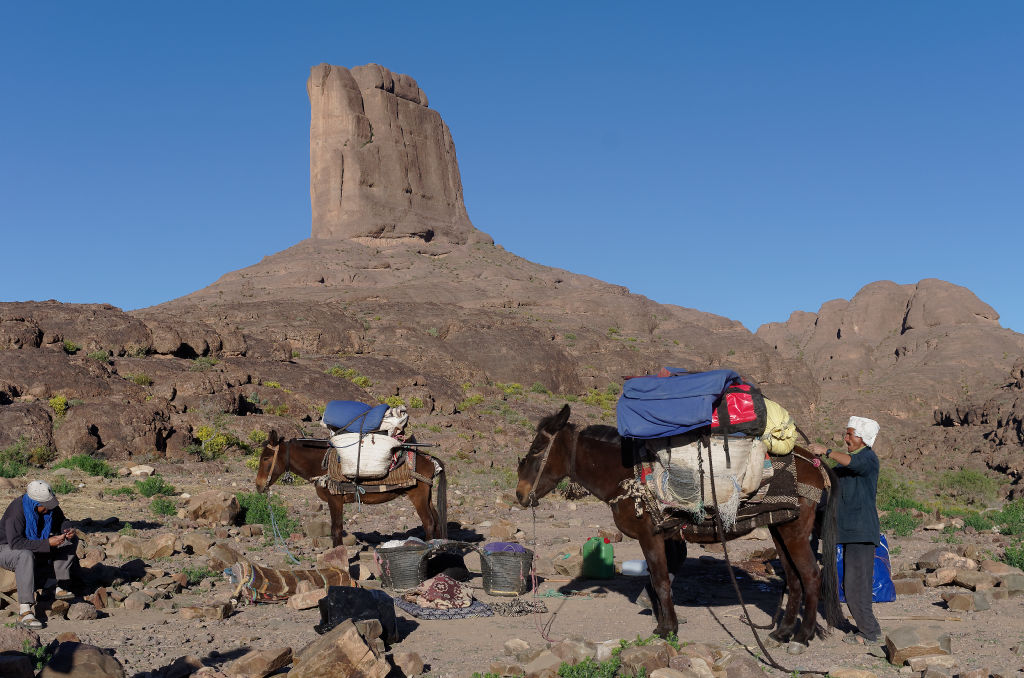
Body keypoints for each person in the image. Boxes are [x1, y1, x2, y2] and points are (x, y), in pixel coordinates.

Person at [809, 416, 882, 645]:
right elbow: (832, 479)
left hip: (861, 531)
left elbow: (853, 463)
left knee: (856, 585)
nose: (846, 438)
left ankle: (870, 633)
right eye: (847, 433)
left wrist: (827, 450)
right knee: (852, 585)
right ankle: (867, 629)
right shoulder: (846, 463)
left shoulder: (868, 458)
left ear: (862, 438)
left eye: (850, 434)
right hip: (849, 532)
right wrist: (819, 465)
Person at [0, 480, 77, 629]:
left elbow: (61, 521)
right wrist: (47, 543)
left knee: (70, 541)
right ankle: (25, 610)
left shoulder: (49, 506)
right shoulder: (16, 511)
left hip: (31, 543)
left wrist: (67, 530)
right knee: (25, 555)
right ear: (36, 504)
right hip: (5, 548)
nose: (49, 510)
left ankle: (55, 584)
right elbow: (16, 543)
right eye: (45, 507)